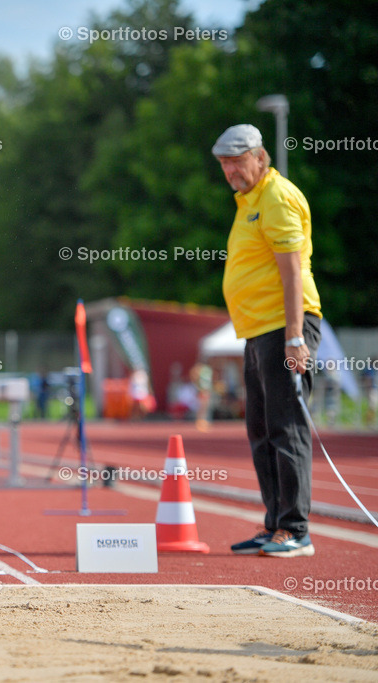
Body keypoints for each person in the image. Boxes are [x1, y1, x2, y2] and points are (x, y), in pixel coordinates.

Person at [213, 124, 322, 558]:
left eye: (237, 162)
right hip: (258, 332)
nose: (230, 172)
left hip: (284, 328)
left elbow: (292, 271)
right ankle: (275, 524)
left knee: (286, 427)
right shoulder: (248, 200)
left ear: (260, 157)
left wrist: (296, 337)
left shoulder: (275, 197)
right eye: (224, 165)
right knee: (260, 430)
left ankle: (295, 528)